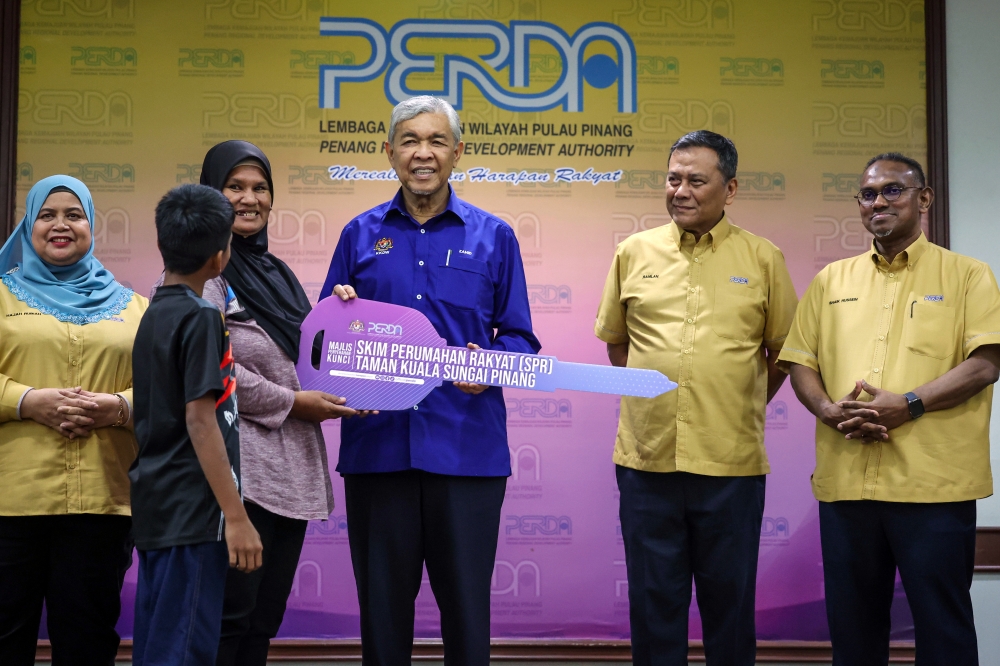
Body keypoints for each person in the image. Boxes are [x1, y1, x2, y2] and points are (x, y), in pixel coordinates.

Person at [319, 95, 540, 665]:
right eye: (410, 141)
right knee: (383, 619)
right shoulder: (358, 235)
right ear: (388, 151)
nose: (423, 153)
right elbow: (321, 347)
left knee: (467, 618)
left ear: (458, 153)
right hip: (378, 452)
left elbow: (520, 342)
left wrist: (483, 364)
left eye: (437, 141)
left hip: (467, 454)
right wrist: (340, 313)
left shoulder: (496, 237)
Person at [777, 153, 1000, 665]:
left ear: (924, 199)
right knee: (854, 635)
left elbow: (986, 363)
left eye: (893, 191)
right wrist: (828, 410)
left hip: (934, 489)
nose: (878, 202)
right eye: (868, 194)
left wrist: (910, 405)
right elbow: (799, 362)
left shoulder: (968, 276)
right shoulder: (832, 280)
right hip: (848, 485)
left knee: (944, 631)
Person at [595, 131, 798, 666]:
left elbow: (783, 352)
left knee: (729, 608)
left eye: (696, 181)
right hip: (646, 461)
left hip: (730, 464)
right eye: (673, 179)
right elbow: (620, 344)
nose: (680, 191)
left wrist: (736, 399)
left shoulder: (763, 258)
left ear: (729, 189)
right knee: (654, 605)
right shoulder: (633, 252)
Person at [196, 140, 358, 665]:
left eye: (259, 187)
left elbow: (313, 357)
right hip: (239, 477)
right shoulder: (203, 272)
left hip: (291, 476)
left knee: (263, 622)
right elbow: (213, 366)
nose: (250, 199)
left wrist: (342, 316)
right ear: (210, 195)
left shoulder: (281, 275)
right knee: (227, 618)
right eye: (235, 187)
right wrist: (292, 402)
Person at [0, 175, 146, 665]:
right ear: (29, 225)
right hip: (11, 504)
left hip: (101, 503)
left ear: (91, 225)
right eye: (47, 215)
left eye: (74, 215)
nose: (60, 226)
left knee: (87, 639)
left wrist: (118, 407)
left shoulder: (135, 309)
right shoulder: (1, 296)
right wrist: (27, 400)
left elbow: (170, 391)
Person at [130, 184, 263, 666]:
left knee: (159, 646)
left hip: (159, 508)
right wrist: (237, 516)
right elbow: (200, 420)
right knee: (184, 651)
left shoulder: (152, 314)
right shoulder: (203, 316)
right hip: (194, 514)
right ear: (221, 255)